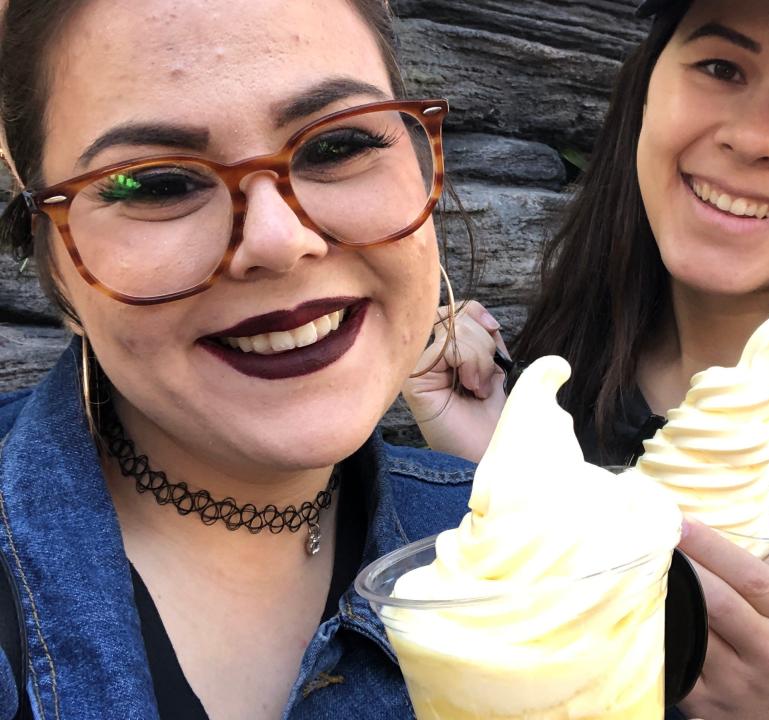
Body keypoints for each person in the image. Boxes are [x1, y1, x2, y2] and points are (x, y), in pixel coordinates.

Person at [404, 0, 769, 717]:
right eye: (721, 67)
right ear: (646, 90)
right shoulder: (547, 393)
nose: (755, 137)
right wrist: (503, 475)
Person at [0, 0, 475, 717]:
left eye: (338, 144)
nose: (280, 242)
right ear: (55, 267)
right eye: (155, 184)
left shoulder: (511, 541)